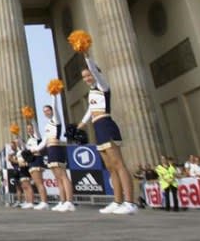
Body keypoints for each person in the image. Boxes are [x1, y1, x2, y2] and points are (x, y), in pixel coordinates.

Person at [77, 53, 137, 215]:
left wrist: (86, 55)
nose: (87, 78)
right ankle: (117, 201)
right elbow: (90, 110)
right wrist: (81, 124)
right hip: (98, 128)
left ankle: (130, 202)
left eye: (89, 74)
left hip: (106, 125)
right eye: (84, 76)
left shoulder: (103, 86)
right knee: (110, 167)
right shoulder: (91, 92)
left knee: (119, 164)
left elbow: (96, 74)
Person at [31, 94, 74, 212]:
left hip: (56, 148)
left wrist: (53, 95)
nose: (46, 112)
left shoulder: (56, 120)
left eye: (48, 110)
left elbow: (55, 108)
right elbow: (43, 142)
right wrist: (34, 150)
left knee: (63, 175)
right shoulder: (47, 126)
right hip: (50, 149)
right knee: (57, 177)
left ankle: (70, 201)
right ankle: (62, 200)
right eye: (44, 111)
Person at [23, 122, 49, 210]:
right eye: (28, 129)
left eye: (31, 128)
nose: (29, 130)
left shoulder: (37, 137)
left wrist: (31, 117)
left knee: (39, 183)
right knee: (37, 183)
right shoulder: (29, 140)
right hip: (31, 161)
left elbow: (36, 130)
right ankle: (39, 202)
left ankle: (44, 202)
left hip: (37, 160)